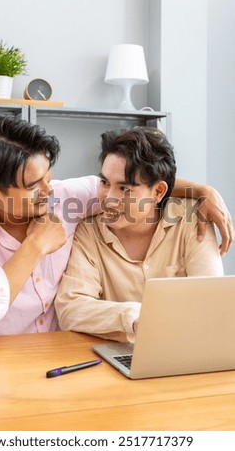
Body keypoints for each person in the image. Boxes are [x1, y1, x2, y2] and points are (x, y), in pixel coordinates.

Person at [0, 116, 232, 345]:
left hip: (64, 354)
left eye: (47, 177)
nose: (47, 190)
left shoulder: (65, 197)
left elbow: (136, 182)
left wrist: (202, 190)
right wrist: (35, 246)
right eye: (33, 185)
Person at [55, 127, 225, 342]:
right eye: (105, 183)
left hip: (187, 349)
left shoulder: (192, 219)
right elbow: (71, 309)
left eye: (125, 189)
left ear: (158, 192)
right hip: (113, 360)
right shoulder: (89, 230)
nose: (109, 199)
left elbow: (211, 301)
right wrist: (134, 318)